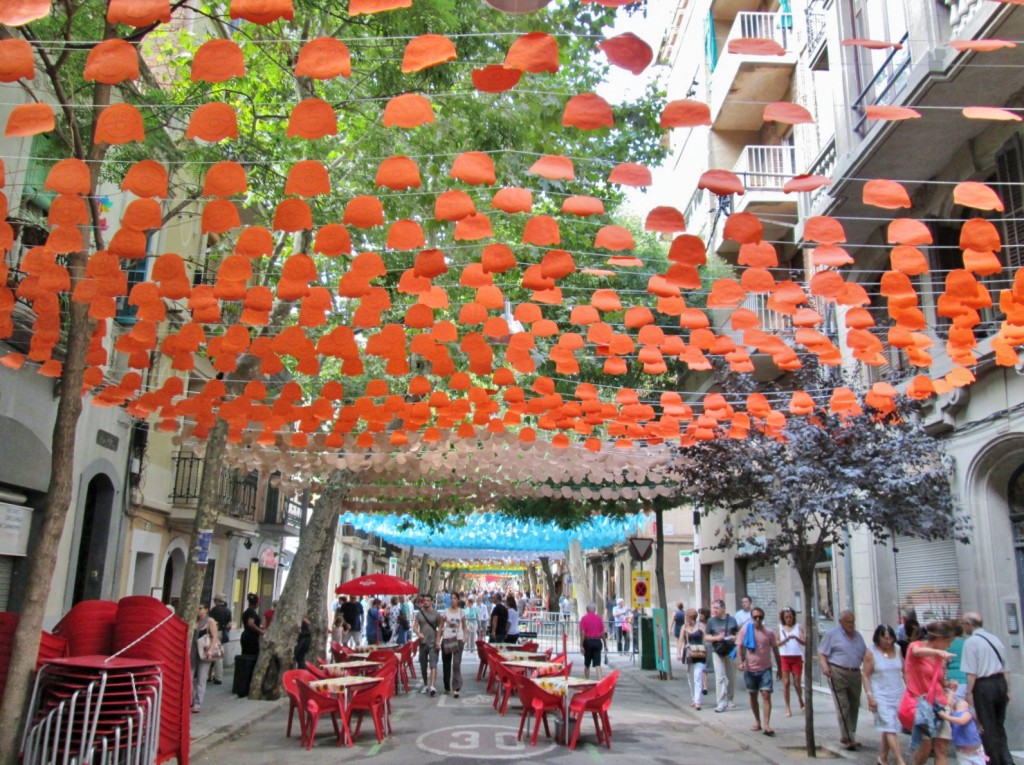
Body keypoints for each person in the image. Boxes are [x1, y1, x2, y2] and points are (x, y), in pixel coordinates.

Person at [904, 619, 959, 765]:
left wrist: (949, 685)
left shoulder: (940, 657)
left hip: (940, 704)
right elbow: (917, 652)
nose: (949, 645)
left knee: (941, 748)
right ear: (939, 638)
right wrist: (938, 652)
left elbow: (939, 681)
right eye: (948, 641)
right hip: (922, 705)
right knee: (925, 746)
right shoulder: (915, 646)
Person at [961, 612, 1012, 765]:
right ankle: (1006, 760)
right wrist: (1008, 690)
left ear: (970, 624)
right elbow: (1006, 667)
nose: (963, 627)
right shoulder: (995, 639)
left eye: (963, 623)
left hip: (984, 685)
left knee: (986, 726)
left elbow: (972, 672)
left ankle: (994, 761)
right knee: (998, 725)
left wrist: (968, 693)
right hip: (1000, 683)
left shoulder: (971, 642)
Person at [818, 609, 867, 750]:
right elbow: (821, 653)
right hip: (838, 672)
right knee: (843, 705)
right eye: (848, 622)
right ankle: (848, 737)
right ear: (841, 622)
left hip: (855, 673)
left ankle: (850, 733)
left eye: (852, 622)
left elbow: (865, 654)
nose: (851, 625)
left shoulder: (858, 637)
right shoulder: (832, 635)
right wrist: (825, 667)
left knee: (854, 705)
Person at [862, 624, 907, 765]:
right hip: (880, 694)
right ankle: (900, 761)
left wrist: (910, 690)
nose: (889, 642)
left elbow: (905, 671)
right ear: (878, 638)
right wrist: (870, 696)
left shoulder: (898, 649)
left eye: (891, 638)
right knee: (889, 726)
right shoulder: (871, 652)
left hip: (897, 692)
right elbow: (865, 675)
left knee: (889, 727)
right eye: (885, 638)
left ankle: (883, 758)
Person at [737, 607, 782, 736]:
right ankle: (757, 721)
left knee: (766, 694)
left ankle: (767, 724)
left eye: (760, 617)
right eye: (755, 617)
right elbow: (739, 646)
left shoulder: (769, 632)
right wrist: (740, 662)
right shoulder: (746, 630)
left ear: (763, 618)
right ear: (751, 618)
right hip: (750, 669)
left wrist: (779, 667)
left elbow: (775, 650)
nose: (757, 619)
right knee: (753, 695)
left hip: (765, 668)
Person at [938, 681, 986, 765]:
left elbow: (961, 721)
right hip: (962, 753)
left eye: (964, 701)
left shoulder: (968, 713)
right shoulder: (954, 714)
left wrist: (945, 717)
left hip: (977, 752)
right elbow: (949, 704)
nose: (961, 701)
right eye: (959, 702)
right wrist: (952, 691)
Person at [706, 599, 739, 713]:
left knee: (731, 677)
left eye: (717, 608)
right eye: (713, 608)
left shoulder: (732, 620)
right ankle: (721, 702)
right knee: (719, 677)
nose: (715, 610)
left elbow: (738, 634)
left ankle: (730, 698)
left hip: (730, 651)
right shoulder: (711, 621)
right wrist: (716, 638)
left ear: (723, 608)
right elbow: (706, 637)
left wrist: (735, 638)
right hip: (717, 650)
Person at [191, 604, 219, 713]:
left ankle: (197, 704)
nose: (198, 610)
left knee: (201, 679)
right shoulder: (194, 620)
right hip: (193, 652)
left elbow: (215, 636)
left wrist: (211, 650)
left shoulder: (210, 621)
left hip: (204, 652)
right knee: (190, 677)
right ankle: (190, 700)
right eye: (197, 608)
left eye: (200, 608)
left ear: (206, 610)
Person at [778, 606, 805, 716]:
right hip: (784, 657)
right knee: (786, 682)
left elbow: (804, 642)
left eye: (790, 617)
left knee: (797, 683)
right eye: (786, 617)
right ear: (783, 618)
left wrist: (796, 638)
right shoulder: (780, 627)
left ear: (793, 617)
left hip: (796, 657)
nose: (788, 619)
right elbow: (776, 643)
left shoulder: (799, 627)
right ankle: (787, 708)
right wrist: (786, 639)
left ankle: (800, 699)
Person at [414, 594, 441, 696]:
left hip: (433, 643)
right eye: (424, 600)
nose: (425, 602)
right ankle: (425, 684)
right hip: (422, 643)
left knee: (433, 665)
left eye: (428, 600)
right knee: (423, 665)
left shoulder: (436, 614)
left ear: (431, 602)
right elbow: (415, 626)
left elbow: (440, 628)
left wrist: (438, 641)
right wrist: (418, 633)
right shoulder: (419, 614)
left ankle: (432, 685)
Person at [440, 595, 466, 697]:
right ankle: (447, 686)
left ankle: (456, 687)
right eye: (451, 598)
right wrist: (438, 640)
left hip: (458, 639)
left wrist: (465, 637)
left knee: (456, 663)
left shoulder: (461, 612)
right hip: (447, 638)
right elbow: (441, 626)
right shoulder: (445, 612)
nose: (453, 600)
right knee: (446, 664)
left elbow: (464, 626)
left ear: (458, 600)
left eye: (455, 598)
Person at [682, 608, 706, 710]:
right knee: (690, 677)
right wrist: (679, 652)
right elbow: (680, 640)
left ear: (691, 617)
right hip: (689, 654)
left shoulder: (701, 626)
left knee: (697, 676)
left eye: (687, 616)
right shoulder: (684, 627)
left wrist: (708, 648)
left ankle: (698, 701)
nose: (686, 618)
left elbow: (706, 638)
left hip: (700, 653)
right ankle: (694, 698)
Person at [208, 593, 231, 685]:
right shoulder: (228, 611)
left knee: (213, 654)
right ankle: (217, 676)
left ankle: (212, 676)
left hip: (214, 633)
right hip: (223, 632)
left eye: (215, 600)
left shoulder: (214, 610)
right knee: (219, 654)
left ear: (217, 601)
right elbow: (229, 625)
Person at [579, 602, 605, 680]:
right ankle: (600, 680)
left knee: (587, 664)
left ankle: (587, 680)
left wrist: (581, 645)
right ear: (595, 610)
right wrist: (605, 644)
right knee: (598, 664)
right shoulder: (599, 619)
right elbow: (602, 633)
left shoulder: (584, 619)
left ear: (587, 609)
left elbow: (582, 633)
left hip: (588, 642)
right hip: (597, 642)